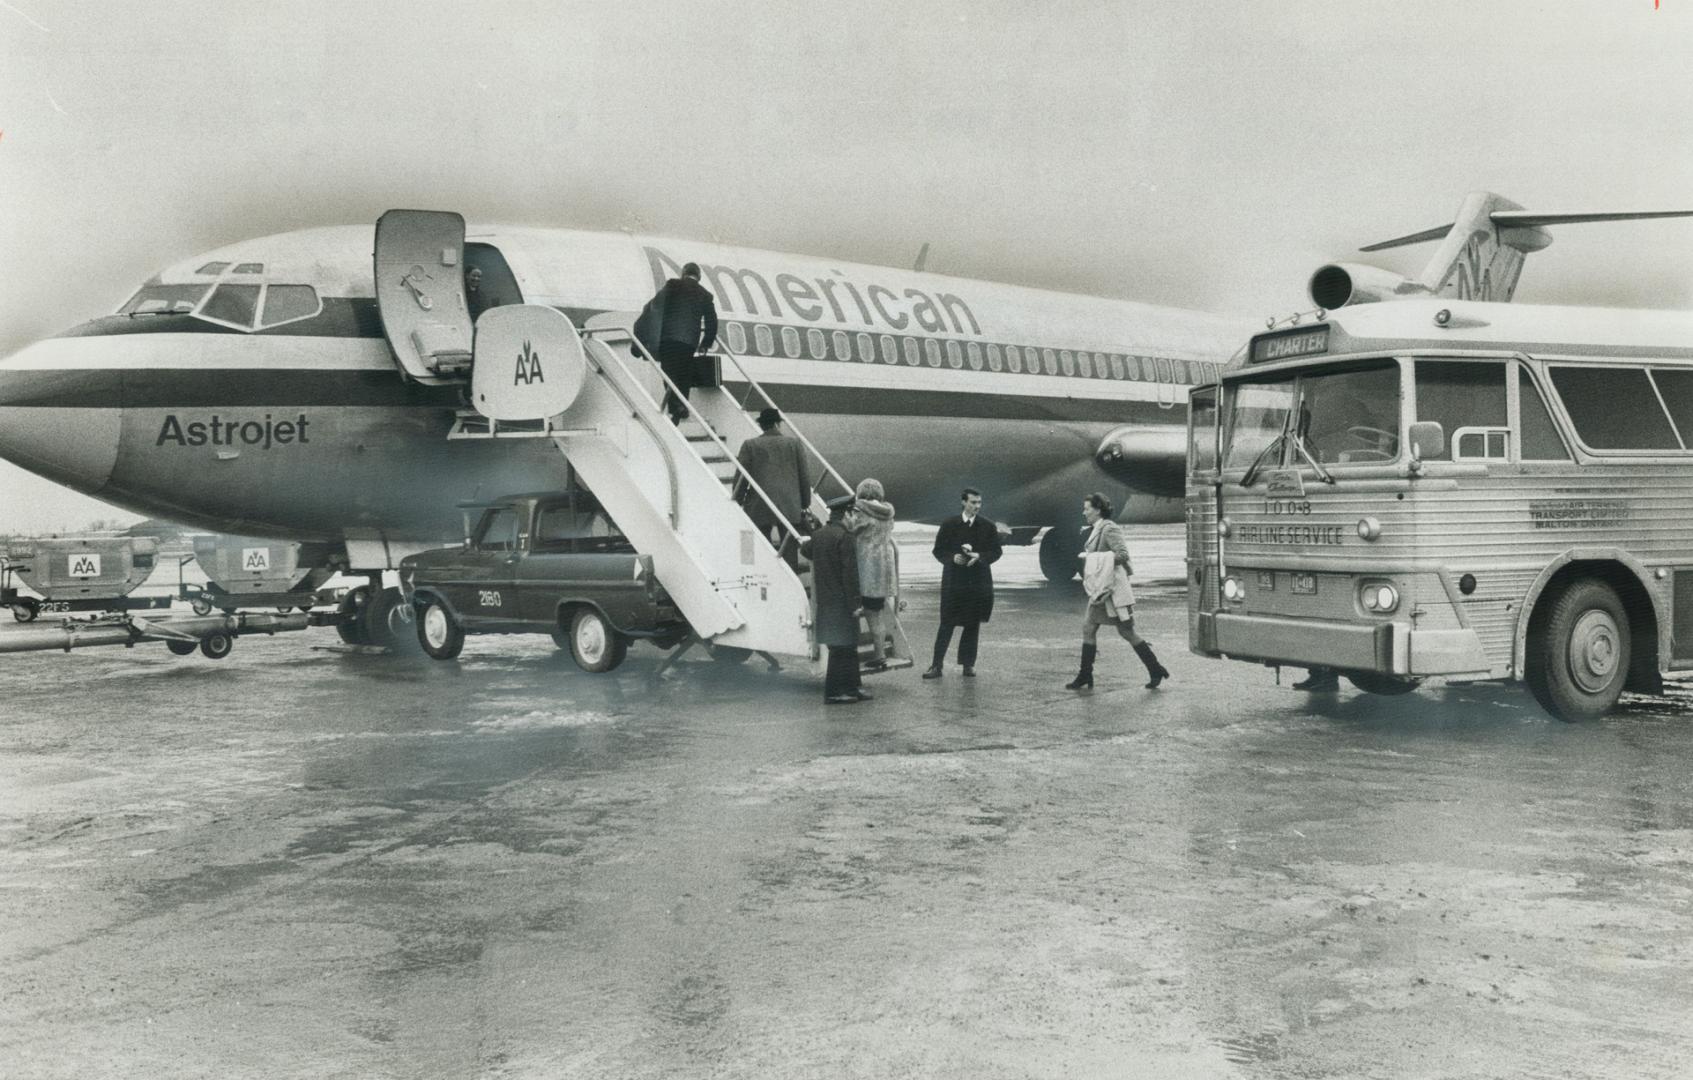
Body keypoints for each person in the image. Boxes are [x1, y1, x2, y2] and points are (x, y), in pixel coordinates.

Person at [1065, 492, 1170, 691]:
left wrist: (1096, 559)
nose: (1084, 512)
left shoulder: (1109, 528)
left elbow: (1122, 555)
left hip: (1112, 591)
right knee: (1089, 628)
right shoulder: (1096, 528)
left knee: (1126, 631)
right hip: (1101, 589)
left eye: (1087, 508)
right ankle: (1085, 675)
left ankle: (1155, 669)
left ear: (1097, 510)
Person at [922, 487, 1001, 679]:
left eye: (979, 503)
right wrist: (952, 558)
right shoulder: (949, 525)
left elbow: (996, 552)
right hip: (954, 582)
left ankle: (968, 665)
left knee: (972, 625)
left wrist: (980, 557)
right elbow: (938, 550)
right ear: (963, 502)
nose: (977, 507)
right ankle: (936, 665)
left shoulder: (988, 526)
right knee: (946, 623)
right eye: (973, 502)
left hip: (977, 582)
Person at [635, 262, 718, 423]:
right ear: (699, 277)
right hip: (689, 342)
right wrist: (705, 343)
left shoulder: (672, 285)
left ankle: (676, 407)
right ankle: (681, 408)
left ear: (683, 273)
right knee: (684, 375)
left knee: (669, 373)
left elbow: (652, 307)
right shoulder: (705, 294)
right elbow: (712, 322)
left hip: (669, 339)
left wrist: (639, 334)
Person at [807, 494, 870, 704]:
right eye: (854, 515)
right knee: (844, 648)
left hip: (827, 602)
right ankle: (833, 693)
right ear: (846, 514)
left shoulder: (819, 535)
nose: (855, 520)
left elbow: (804, 549)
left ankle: (853, 687)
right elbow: (849, 575)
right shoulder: (846, 538)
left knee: (844, 646)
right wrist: (856, 605)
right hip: (843, 603)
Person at [733, 407, 813, 570]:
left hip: (759, 504)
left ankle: (767, 576)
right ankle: (791, 580)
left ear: (762, 426)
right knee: (789, 549)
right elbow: (804, 476)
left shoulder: (750, 445)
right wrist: (804, 503)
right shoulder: (794, 444)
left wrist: (738, 500)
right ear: (777, 424)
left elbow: (741, 477)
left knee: (763, 547)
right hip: (789, 504)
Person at [850, 478, 907, 670]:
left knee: (871, 616)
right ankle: (879, 653)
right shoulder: (888, 513)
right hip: (885, 569)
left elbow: (851, 530)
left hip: (867, 570)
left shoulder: (860, 511)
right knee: (878, 615)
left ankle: (879, 655)